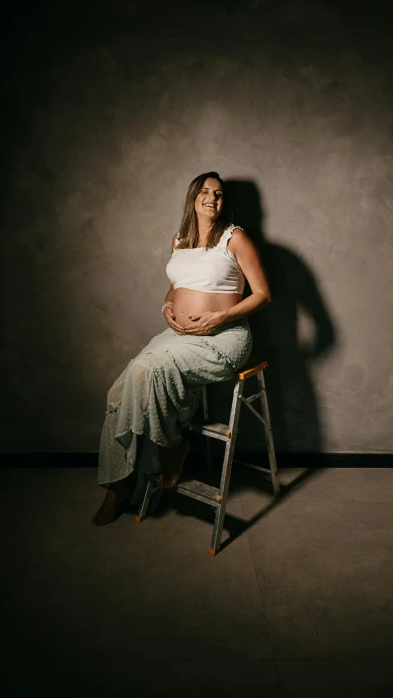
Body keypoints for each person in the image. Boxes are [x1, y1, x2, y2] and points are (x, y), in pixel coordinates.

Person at [92, 172, 271, 526]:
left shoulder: (235, 239)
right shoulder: (180, 240)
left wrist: (216, 321)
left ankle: (159, 455)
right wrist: (166, 309)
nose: (212, 198)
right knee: (120, 390)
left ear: (224, 202)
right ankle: (129, 475)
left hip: (225, 337)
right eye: (205, 191)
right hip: (181, 335)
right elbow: (175, 289)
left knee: (147, 372)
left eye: (218, 194)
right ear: (193, 198)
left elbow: (263, 295)